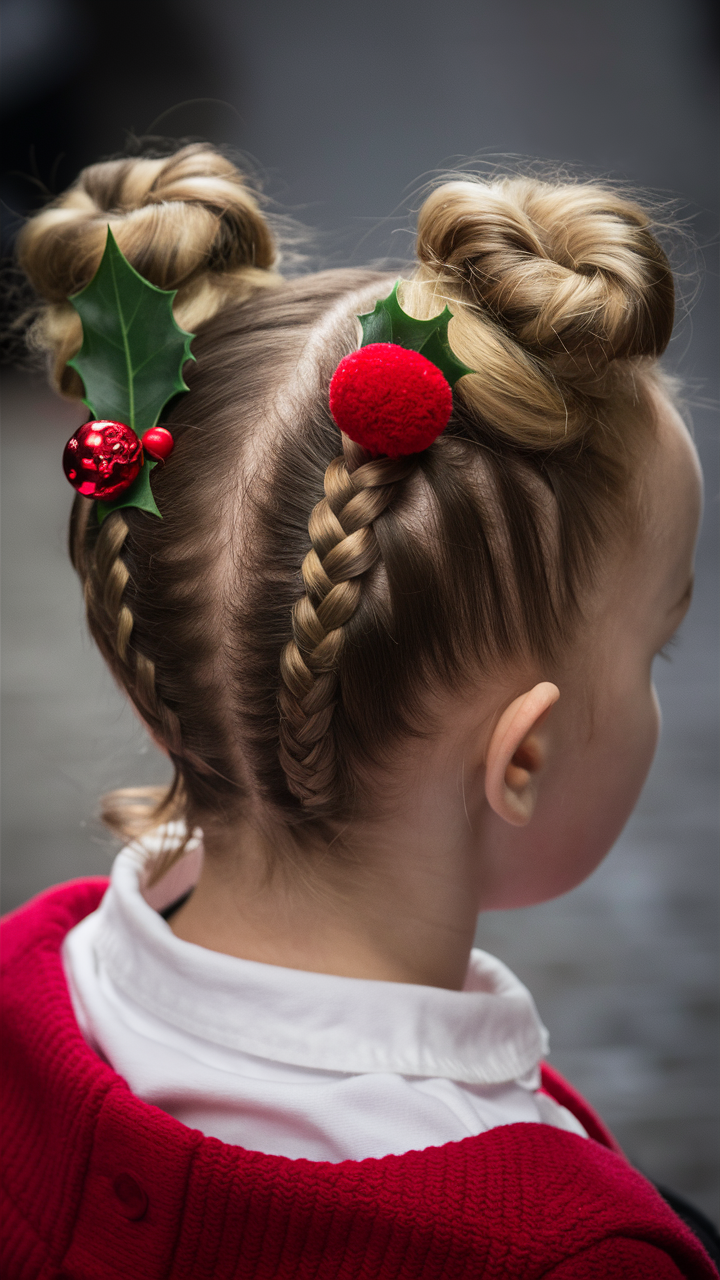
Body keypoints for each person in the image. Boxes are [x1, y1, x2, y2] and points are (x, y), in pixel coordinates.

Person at [1, 143, 717, 1279]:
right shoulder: (566, 1248)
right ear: (521, 754)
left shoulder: (21, 983)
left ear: (159, 679)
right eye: (656, 646)